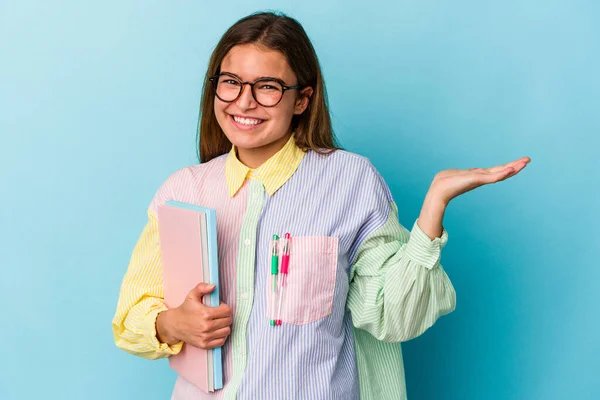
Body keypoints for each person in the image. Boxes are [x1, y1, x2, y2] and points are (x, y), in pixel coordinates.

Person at [112, 11, 530, 400]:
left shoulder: (350, 181)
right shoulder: (183, 191)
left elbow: (392, 315)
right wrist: (170, 323)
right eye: (231, 82)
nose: (243, 102)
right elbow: (132, 314)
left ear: (302, 99)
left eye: (268, 87)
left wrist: (433, 208)